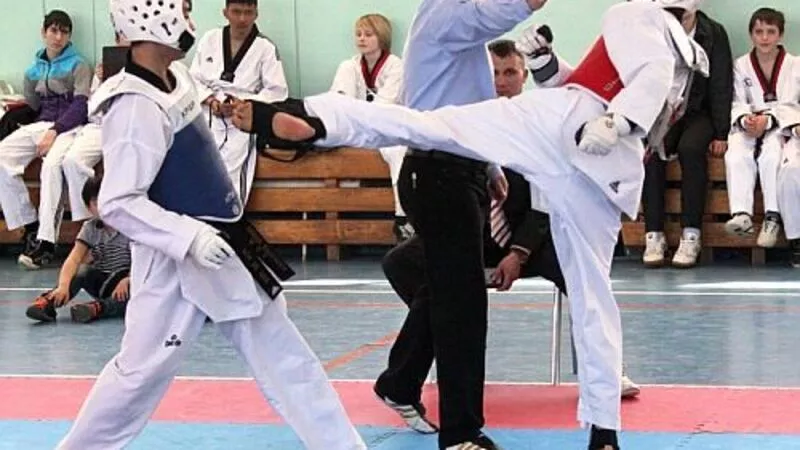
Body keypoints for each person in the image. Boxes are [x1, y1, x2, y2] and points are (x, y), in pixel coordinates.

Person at [233, 1, 709, 448]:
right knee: (593, 300)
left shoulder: (637, 13)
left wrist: (617, 120)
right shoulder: (691, 56)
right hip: (605, 170)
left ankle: (315, 119)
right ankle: (604, 433)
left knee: (421, 126)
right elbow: (599, 85)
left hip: (569, 128)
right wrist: (547, 66)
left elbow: (641, 78)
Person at [55, 1, 365, 449]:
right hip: (175, 259)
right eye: (181, 10)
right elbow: (118, 202)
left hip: (223, 240)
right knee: (139, 374)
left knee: (284, 354)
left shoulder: (177, 77)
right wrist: (190, 237)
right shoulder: (134, 106)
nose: (190, 19)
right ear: (151, 16)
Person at [641, 6, 733, 268]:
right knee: (651, 152)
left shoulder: (713, 33)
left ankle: (691, 234)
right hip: (662, 112)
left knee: (691, 149)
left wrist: (721, 131)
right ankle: (653, 234)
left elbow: (721, 84)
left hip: (698, 112)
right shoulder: (654, 29)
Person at [0, 10, 92, 269]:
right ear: (44, 32)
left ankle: (46, 242)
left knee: (51, 167)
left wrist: (55, 131)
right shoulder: (33, 70)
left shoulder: (79, 64)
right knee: (2, 156)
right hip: (41, 125)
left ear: (69, 36)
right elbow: (33, 106)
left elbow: (81, 106)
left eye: (64, 32)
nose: (58, 37)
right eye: (53, 30)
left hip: (70, 127)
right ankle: (29, 226)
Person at [189, 0, 288, 203]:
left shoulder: (265, 47)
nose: (242, 18)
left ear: (256, 14)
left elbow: (277, 91)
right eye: (236, 12)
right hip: (209, 111)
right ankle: (202, 216)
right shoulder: (209, 39)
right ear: (225, 12)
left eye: (248, 12)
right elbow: (193, 79)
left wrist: (243, 103)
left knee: (234, 167)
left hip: (243, 117)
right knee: (201, 165)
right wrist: (211, 100)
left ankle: (233, 214)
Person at [330, 14, 412, 241]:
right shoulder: (350, 66)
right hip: (357, 128)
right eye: (358, 34)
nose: (361, 39)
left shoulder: (396, 66)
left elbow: (384, 107)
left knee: (398, 152)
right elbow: (340, 104)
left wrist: (358, 114)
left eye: (368, 34)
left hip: (387, 128)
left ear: (382, 37)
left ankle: (403, 217)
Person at [725, 8, 796, 247]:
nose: (764, 38)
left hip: (779, 125)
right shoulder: (741, 65)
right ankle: (741, 214)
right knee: (736, 152)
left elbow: (792, 104)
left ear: (780, 35)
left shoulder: (795, 65)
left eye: (771, 32)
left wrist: (770, 119)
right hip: (749, 124)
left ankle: (772, 216)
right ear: (751, 35)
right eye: (759, 32)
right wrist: (745, 119)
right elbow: (736, 100)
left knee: (772, 154)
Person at [25, 176, 131, 324]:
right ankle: (49, 302)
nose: (103, 207)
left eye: (107, 201)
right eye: (96, 203)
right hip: (102, 282)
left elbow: (143, 261)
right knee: (82, 270)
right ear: (89, 207)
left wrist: (129, 279)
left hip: (127, 283)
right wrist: (63, 286)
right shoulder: (90, 228)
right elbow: (73, 259)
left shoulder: (130, 226)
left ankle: (98, 308)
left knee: (134, 296)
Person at [62, 33, 131, 225]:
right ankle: (90, 221)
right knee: (72, 161)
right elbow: (91, 108)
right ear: (117, 40)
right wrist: (101, 82)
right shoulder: (106, 65)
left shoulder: (147, 65)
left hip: (131, 127)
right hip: (100, 126)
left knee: (121, 166)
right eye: (124, 36)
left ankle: (118, 218)